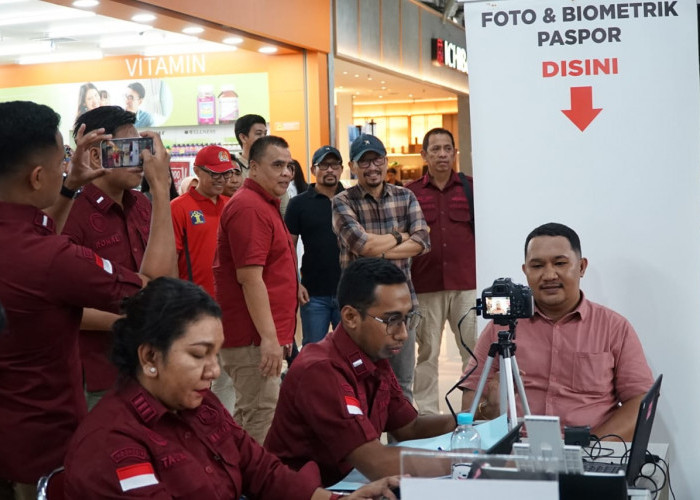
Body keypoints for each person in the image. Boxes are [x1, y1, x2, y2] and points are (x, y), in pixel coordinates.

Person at [63, 277, 400, 500]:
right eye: (199, 355)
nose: (214, 370)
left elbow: (261, 470)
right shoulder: (113, 441)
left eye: (216, 353)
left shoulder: (199, 405)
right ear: (150, 355)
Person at [0, 100, 175, 497]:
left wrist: (67, 187)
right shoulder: (52, 256)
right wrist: (162, 188)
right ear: (37, 176)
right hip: (45, 440)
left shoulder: (37, 240)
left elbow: (39, 242)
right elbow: (155, 289)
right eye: (62, 158)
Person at [265, 258, 455, 486]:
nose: (403, 333)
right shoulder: (321, 371)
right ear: (350, 317)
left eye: (407, 318)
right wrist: (468, 463)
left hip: (347, 484)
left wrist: (474, 419)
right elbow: (379, 464)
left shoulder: (374, 354)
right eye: (392, 320)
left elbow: (409, 427)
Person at [461, 223, 655, 441]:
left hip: (591, 451)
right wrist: (491, 409)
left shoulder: (614, 328)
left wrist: (592, 449)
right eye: (537, 266)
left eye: (560, 263)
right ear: (525, 271)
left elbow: (640, 401)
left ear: (581, 267)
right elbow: (469, 402)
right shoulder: (501, 327)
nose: (549, 274)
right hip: (515, 449)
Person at [62, 106, 154, 410]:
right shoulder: (70, 215)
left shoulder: (142, 204)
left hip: (148, 366)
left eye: (143, 147)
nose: (140, 158)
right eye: (129, 148)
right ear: (95, 154)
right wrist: (130, 321)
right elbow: (63, 305)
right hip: (100, 374)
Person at [332, 134, 430, 401]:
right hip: (362, 312)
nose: (372, 167)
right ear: (353, 166)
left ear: (386, 162)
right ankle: (367, 442)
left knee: (402, 386)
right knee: (360, 385)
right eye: (364, 162)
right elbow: (361, 245)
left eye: (376, 160)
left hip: (402, 308)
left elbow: (422, 241)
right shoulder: (342, 201)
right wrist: (401, 235)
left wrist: (378, 251)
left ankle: (400, 443)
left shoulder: (406, 196)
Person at [213, 135, 297, 444]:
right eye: (277, 165)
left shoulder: (264, 204)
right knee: (260, 415)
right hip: (253, 338)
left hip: (260, 336)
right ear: (254, 168)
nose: (286, 173)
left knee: (254, 413)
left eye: (289, 166)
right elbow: (250, 278)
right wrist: (269, 339)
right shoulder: (249, 207)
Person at [406, 128, 477, 415]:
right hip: (426, 285)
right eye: (435, 149)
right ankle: (426, 416)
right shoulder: (411, 192)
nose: (442, 154)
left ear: (454, 152)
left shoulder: (471, 188)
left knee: (472, 354)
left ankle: (472, 413)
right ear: (424, 155)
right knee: (427, 354)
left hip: (466, 284)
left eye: (448, 148)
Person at [285, 145, 345, 345]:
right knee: (312, 351)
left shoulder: (352, 199)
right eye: (324, 165)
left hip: (348, 291)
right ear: (313, 170)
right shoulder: (298, 204)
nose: (330, 170)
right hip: (313, 293)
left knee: (350, 351)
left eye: (334, 165)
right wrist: (296, 282)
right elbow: (288, 248)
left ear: (341, 169)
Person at [171, 145, 233, 297]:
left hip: (230, 298)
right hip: (194, 301)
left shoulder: (231, 205)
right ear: (197, 170)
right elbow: (171, 259)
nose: (221, 180)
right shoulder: (178, 208)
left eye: (226, 174)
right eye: (215, 174)